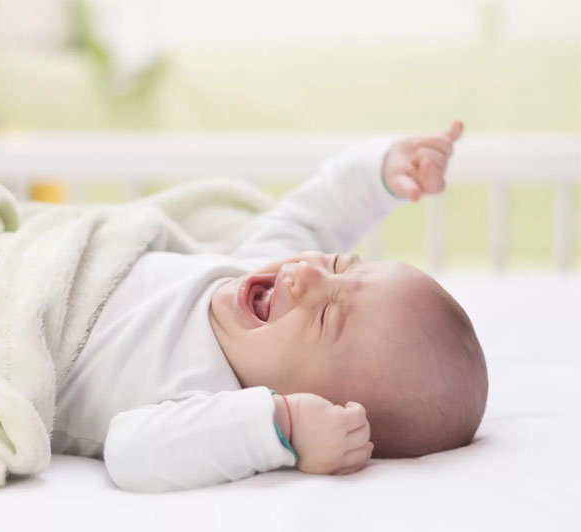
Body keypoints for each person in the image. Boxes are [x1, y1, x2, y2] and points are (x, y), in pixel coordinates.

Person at [51, 120, 489, 492]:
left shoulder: (208, 399)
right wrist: (379, 172)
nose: (310, 275)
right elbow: (311, 216)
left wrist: (280, 426)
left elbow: (130, 453)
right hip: (49, 256)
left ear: (309, 400)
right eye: (339, 263)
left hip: (11, 323)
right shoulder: (250, 269)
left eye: (324, 316)